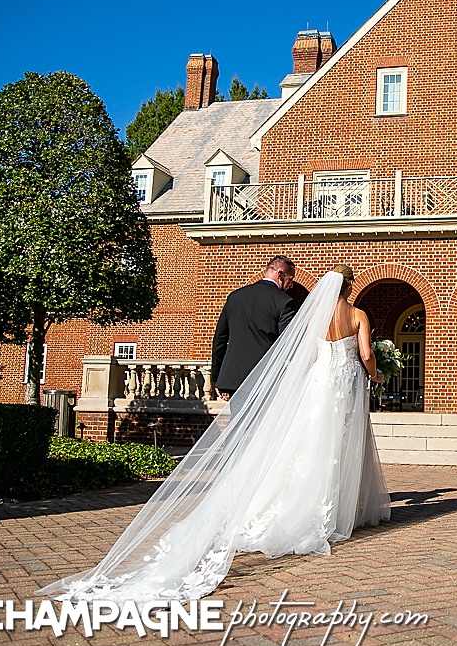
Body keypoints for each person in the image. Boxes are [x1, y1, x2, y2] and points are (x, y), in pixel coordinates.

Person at [37, 265, 391, 603]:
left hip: (315, 384)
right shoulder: (358, 315)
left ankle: (260, 496)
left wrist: (229, 376)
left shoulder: (303, 313)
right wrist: (374, 374)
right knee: (338, 445)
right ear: (349, 287)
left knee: (304, 443)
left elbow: (296, 352)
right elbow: (365, 353)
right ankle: (336, 510)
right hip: (346, 385)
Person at [211, 256, 297, 399]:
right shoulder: (284, 302)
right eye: (291, 278)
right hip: (264, 378)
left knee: (238, 420)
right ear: (280, 274)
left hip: (233, 379)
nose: (291, 285)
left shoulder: (235, 297)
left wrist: (217, 376)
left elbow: (220, 339)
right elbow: (286, 344)